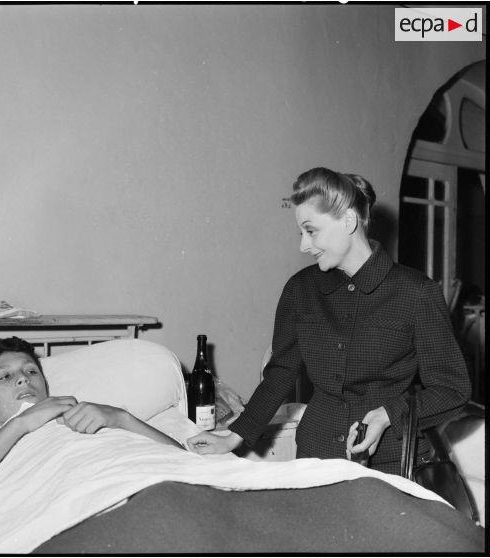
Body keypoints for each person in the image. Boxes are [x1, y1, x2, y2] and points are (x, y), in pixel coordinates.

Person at [187, 167, 471, 474]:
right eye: (301, 233)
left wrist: (388, 414)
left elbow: (452, 390)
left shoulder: (416, 292)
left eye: (311, 231)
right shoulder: (300, 290)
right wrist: (233, 437)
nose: (303, 246)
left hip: (390, 461)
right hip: (314, 455)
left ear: (348, 221)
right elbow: (281, 372)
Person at [0, 336, 183, 522]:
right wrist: (20, 424)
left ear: (45, 385)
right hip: (89, 517)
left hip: (152, 490)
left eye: (31, 371)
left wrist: (121, 418)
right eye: (5, 377)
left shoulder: (93, 416)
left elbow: (184, 461)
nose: (23, 378)